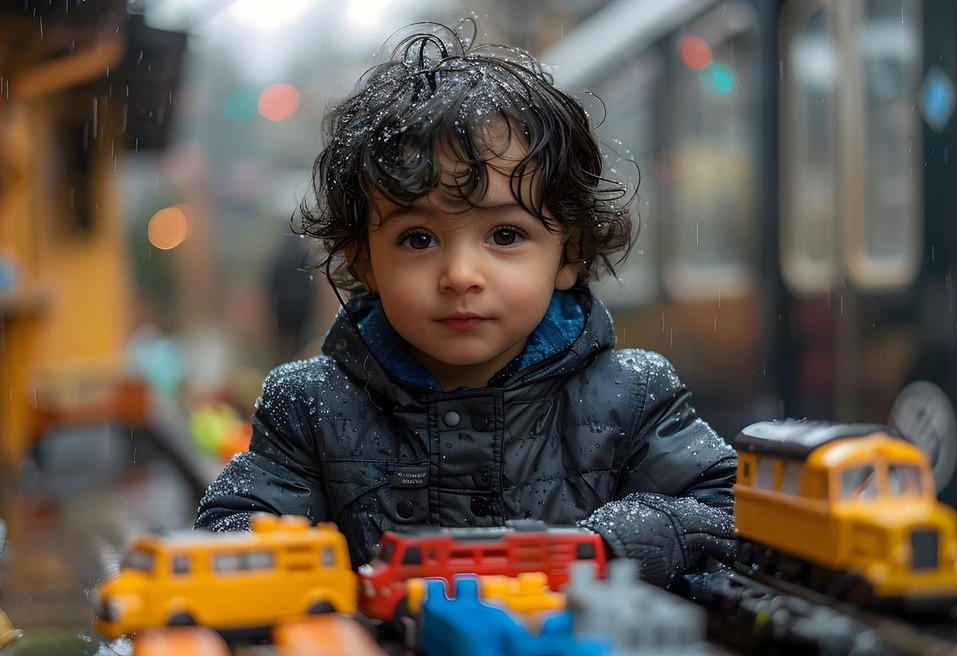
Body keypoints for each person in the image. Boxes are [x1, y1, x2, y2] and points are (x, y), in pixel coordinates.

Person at [195, 22, 737, 589]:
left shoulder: (630, 398)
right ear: (363, 260)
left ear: (567, 253)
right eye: (418, 239)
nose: (459, 276)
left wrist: (611, 545)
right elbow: (228, 535)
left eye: (505, 235)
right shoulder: (312, 408)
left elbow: (729, 511)